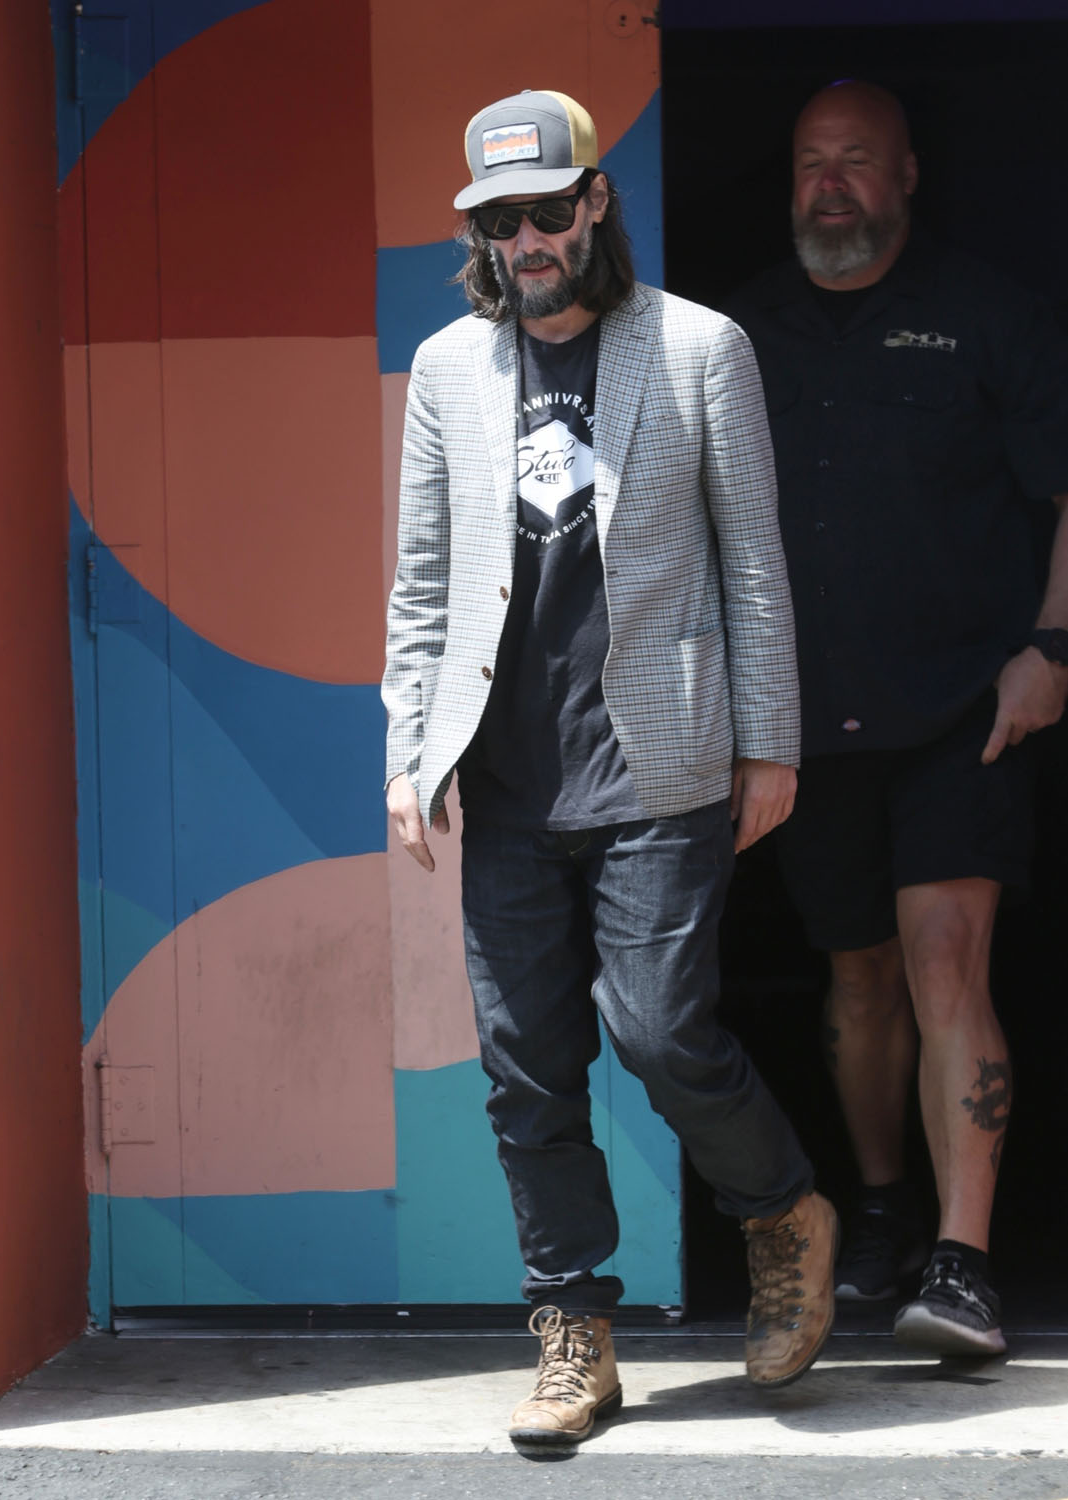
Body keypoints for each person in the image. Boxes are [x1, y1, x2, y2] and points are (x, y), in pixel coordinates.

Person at [382, 88, 837, 1445]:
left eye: (545, 210)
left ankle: (782, 1212)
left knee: (655, 1031)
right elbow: (421, 581)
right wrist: (407, 749)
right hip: (506, 775)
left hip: (660, 759)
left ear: (593, 203)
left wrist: (769, 742)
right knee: (525, 1066)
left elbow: (752, 560)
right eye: (497, 221)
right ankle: (572, 1330)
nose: (525, 241)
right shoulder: (446, 369)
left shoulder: (697, 348)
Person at [725, 80, 1068, 1357]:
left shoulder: (989, 314)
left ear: (907, 175)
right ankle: (879, 1209)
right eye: (811, 161)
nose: (830, 184)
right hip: (803, 723)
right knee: (857, 977)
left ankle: (961, 1262)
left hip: (958, 711)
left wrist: (1050, 650)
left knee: (943, 964)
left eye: (856, 161)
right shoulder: (735, 333)